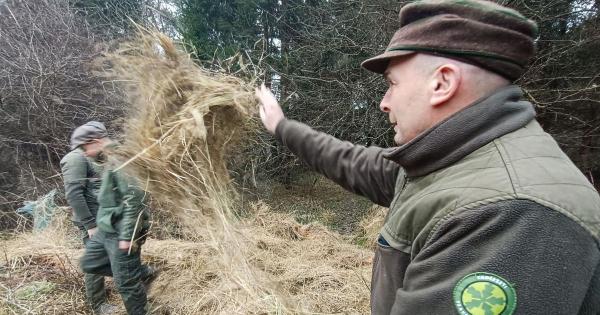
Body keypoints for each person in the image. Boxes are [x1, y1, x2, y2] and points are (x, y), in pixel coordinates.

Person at [255, 1, 600, 314]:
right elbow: (351, 161)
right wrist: (282, 126)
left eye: (393, 83)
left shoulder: (510, 214)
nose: (384, 102)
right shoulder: (448, 160)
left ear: (442, 84)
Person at [79, 140, 155, 315]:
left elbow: (134, 199)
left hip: (122, 229)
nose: (84, 153)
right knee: (89, 263)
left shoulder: (121, 160)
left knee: (126, 283)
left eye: (85, 148)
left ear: (96, 142)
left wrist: (127, 235)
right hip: (107, 226)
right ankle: (142, 272)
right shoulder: (108, 159)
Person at [60, 121, 117, 314]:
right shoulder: (75, 159)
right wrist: (90, 225)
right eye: (102, 140)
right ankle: (98, 305)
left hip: (102, 218)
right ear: (91, 141)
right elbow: (74, 194)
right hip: (92, 221)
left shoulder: (92, 158)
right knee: (96, 259)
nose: (105, 143)